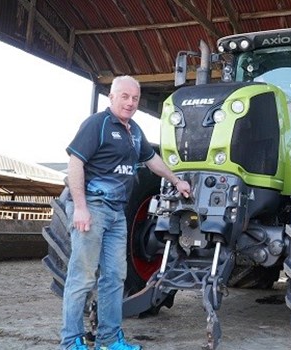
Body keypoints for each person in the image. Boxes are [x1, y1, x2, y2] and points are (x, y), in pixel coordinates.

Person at [60, 75, 191, 350]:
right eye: (125, 96)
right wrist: (81, 208)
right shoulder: (98, 124)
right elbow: (75, 163)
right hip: (93, 208)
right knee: (82, 277)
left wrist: (176, 180)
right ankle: (71, 342)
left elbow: (151, 159)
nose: (130, 103)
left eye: (135, 98)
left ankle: (109, 338)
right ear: (112, 96)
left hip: (118, 214)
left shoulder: (134, 132)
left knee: (115, 278)